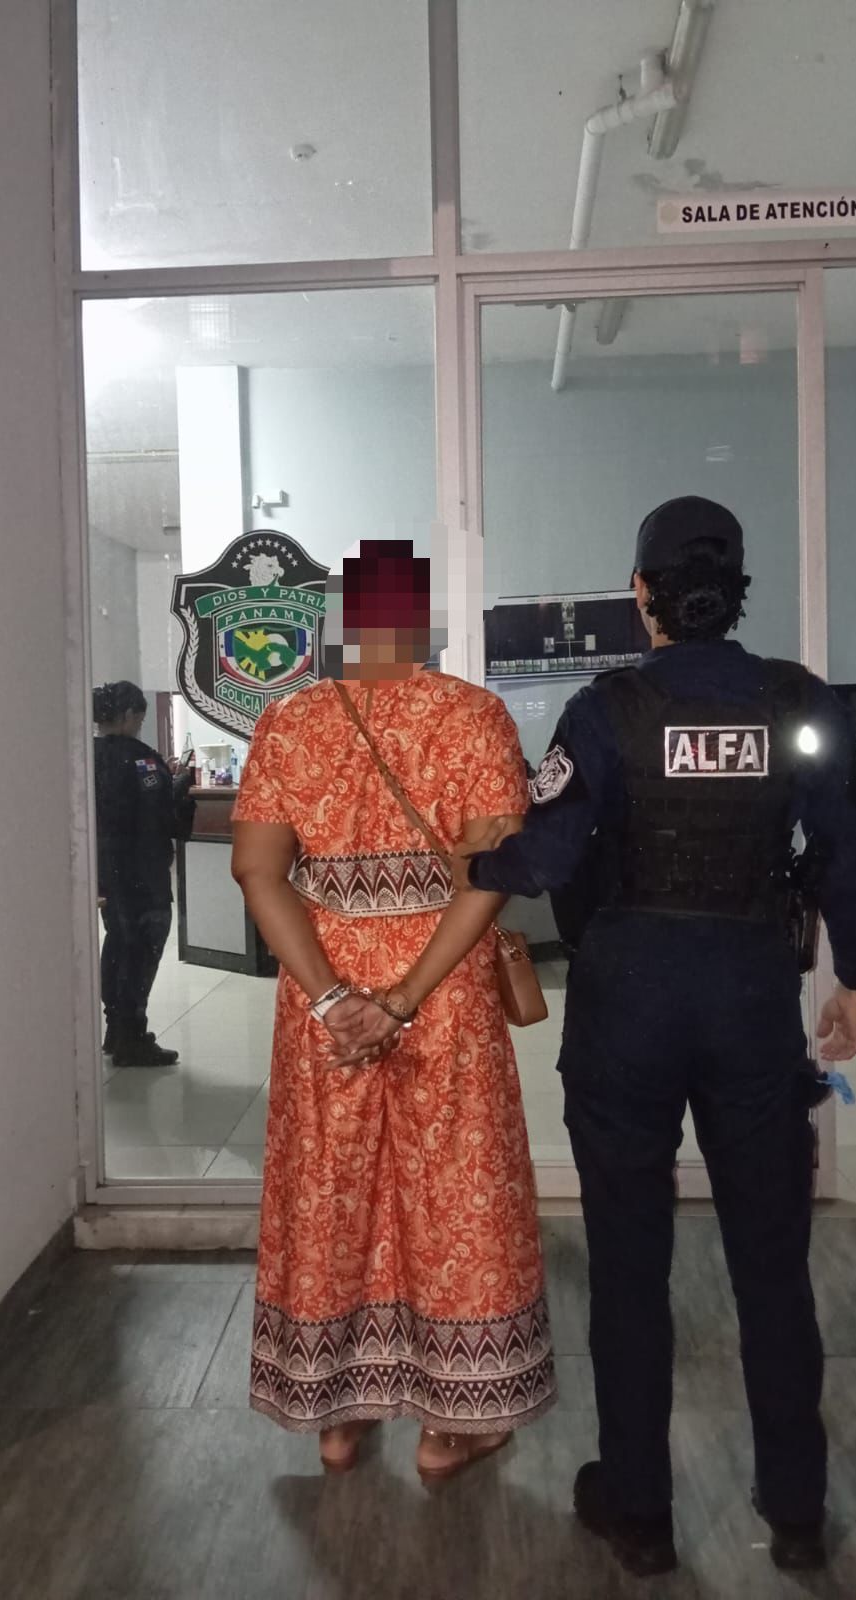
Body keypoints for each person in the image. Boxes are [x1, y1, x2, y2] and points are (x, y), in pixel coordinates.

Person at [458, 498, 856, 1576]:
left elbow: (545, 860)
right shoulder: (799, 702)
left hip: (627, 1012)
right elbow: (852, 854)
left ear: (641, 592)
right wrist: (853, 981)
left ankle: (639, 1512)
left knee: (628, 1267)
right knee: (772, 1268)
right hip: (750, 1005)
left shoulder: (606, 709)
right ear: (737, 591)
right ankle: (796, 1510)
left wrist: (473, 858)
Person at [230, 539, 556, 1480]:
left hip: (321, 997)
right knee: (455, 1194)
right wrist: (404, 997)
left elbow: (256, 870)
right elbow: (490, 874)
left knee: (334, 1193)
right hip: (442, 991)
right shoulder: (473, 717)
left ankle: (337, 1417)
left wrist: (334, 996)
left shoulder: (288, 722)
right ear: (422, 622)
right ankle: (452, 1426)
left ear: (341, 625)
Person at [94, 681, 196, 1067]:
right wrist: (179, 786)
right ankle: (132, 1037)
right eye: (139, 717)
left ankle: (114, 1028)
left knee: (118, 943)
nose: (139, 724)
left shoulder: (84, 755)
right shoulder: (143, 760)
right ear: (129, 715)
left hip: (105, 872)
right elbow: (164, 819)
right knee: (143, 950)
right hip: (143, 874)